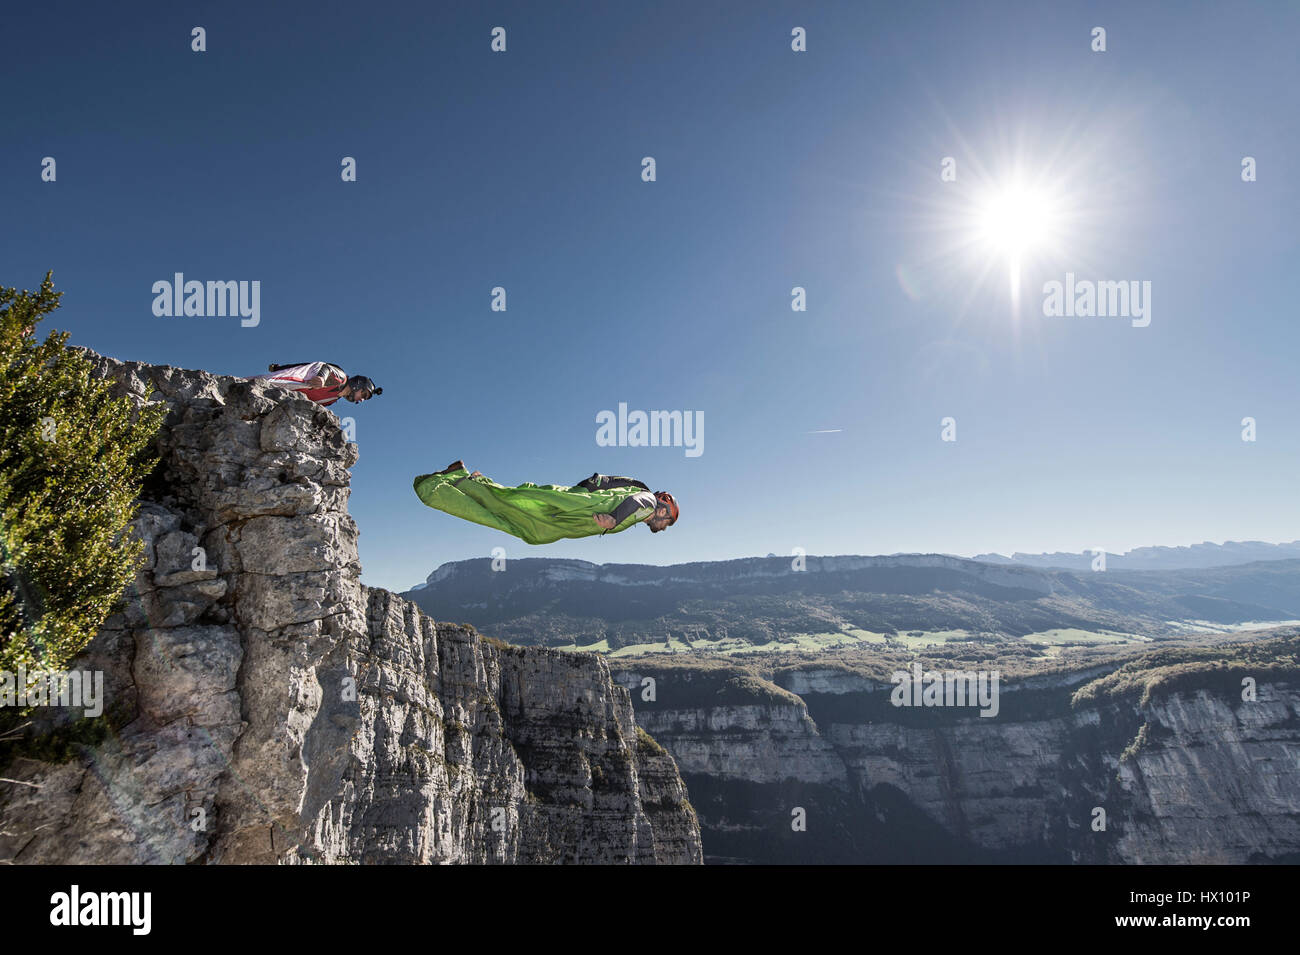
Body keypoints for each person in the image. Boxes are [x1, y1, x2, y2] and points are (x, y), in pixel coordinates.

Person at [413, 462, 679, 545]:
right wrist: (614, 520)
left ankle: (474, 482)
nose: (664, 526)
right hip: (574, 507)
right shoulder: (647, 502)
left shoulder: (640, 511)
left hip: (570, 514)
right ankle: (463, 480)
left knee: (526, 522)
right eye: (668, 520)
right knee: (520, 507)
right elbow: (636, 500)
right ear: (663, 509)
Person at [254, 361, 381, 406]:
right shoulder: (341, 378)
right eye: (363, 394)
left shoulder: (330, 400)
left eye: (364, 398)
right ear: (358, 384)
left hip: (275, 397)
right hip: (276, 382)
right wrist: (321, 378)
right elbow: (325, 367)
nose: (361, 399)